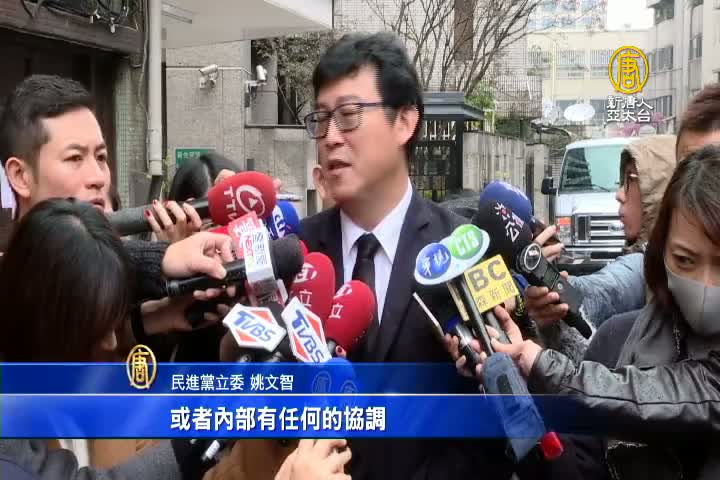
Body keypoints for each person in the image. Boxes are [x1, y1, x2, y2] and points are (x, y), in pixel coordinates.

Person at [298, 32, 513, 480]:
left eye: (348, 116)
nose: (330, 137)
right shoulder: (296, 255)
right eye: (320, 119)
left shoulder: (464, 248)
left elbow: (498, 416)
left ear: (405, 121)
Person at [450, 145, 720, 479]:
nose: (706, 284)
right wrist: (519, 399)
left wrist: (543, 366)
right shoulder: (618, 341)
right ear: (661, 249)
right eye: (685, 260)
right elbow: (576, 468)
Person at [527, 135, 677, 364]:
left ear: (659, 191)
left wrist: (562, 288)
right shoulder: (644, 262)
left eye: (630, 180)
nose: (619, 194)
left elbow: (607, 288)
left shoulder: (648, 266)